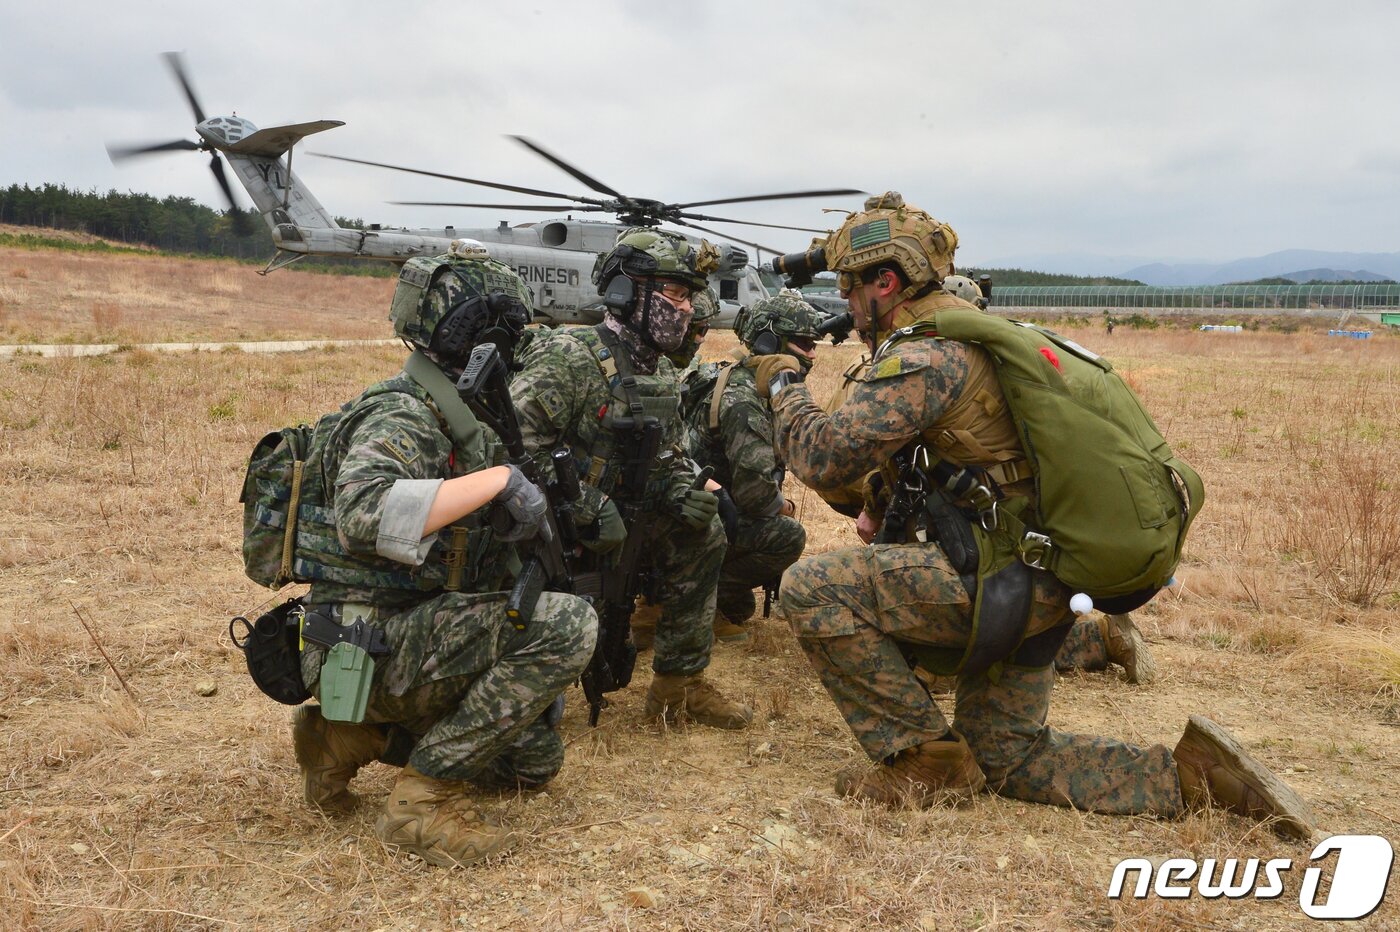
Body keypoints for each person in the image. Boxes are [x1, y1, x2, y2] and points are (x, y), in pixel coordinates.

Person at [749, 193, 1315, 837]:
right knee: (1006, 756)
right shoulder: (976, 334)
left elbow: (824, 459)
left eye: (852, 286)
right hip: (1043, 576)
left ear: (887, 282)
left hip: (1001, 581)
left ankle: (925, 760)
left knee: (812, 588)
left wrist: (781, 383)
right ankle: (1200, 781)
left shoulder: (926, 355)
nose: (848, 304)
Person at [287, 241, 598, 867]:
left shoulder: (459, 419)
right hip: (364, 642)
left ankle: (344, 736)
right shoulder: (402, 413)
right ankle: (422, 804)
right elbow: (362, 513)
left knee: (533, 760)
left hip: (396, 636)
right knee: (569, 625)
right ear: (470, 336)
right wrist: (497, 484)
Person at [509, 228, 752, 730]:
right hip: (559, 526)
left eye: (689, 297)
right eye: (675, 293)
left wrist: (683, 488)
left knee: (704, 533)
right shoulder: (570, 358)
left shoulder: (660, 370)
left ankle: (678, 687)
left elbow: (667, 454)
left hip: (630, 517)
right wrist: (586, 503)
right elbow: (513, 451)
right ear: (625, 293)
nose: (686, 310)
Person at [676, 291, 822, 641]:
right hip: (692, 523)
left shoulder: (740, 379)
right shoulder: (745, 400)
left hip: (699, 516)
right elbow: (756, 494)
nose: (813, 354)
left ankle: (705, 593)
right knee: (787, 536)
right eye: (803, 344)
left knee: (740, 608)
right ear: (771, 342)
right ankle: (685, 597)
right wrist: (783, 507)